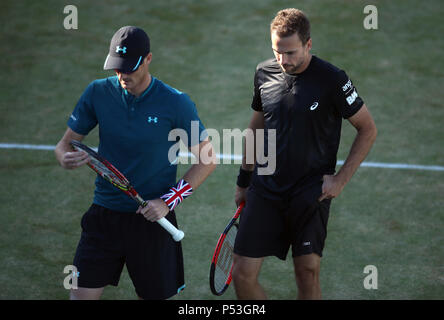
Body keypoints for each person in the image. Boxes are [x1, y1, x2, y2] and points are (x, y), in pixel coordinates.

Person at [55, 26, 216, 300]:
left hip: (153, 221)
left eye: (129, 67)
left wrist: (168, 202)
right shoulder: (97, 93)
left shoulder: (176, 103)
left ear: (148, 59)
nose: (122, 75)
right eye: (117, 68)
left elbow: (208, 159)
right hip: (103, 217)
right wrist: (64, 158)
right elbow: (64, 145)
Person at [232, 9, 377, 299]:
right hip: (266, 189)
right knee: (241, 275)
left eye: (290, 52)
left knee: (307, 274)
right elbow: (256, 128)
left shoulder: (332, 79)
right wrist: (243, 180)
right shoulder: (264, 72)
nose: (283, 60)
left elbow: (368, 129)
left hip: (310, 193)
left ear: (308, 45)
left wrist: (340, 180)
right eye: (276, 52)